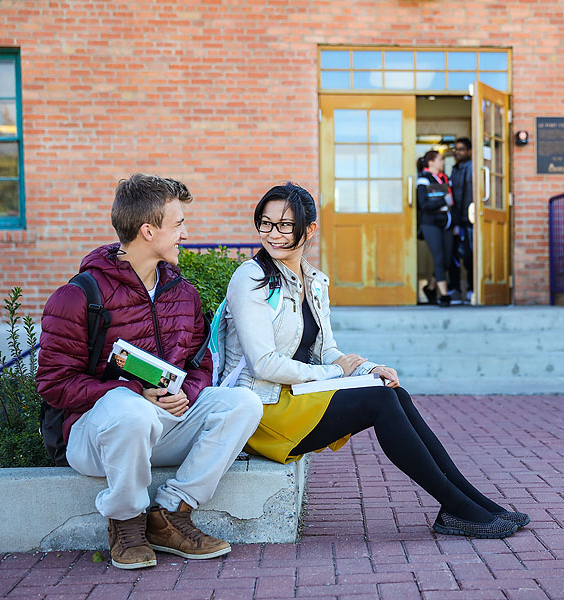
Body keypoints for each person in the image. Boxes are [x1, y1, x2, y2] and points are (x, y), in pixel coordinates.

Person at [222, 182, 528, 538]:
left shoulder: (315, 282)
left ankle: (473, 503)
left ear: (309, 229)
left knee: (392, 390)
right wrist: (333, 373)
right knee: (379, 401)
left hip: (295, 398)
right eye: (266, 223)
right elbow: (264, 365)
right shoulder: (252, 278)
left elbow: (328, 349)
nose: (272, 234)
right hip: (262, 410)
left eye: (285, 225)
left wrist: (369, 368)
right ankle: (459, 509)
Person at [37, 174, 263, 570]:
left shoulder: (183, 293)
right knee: (130, 409)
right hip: (97, 436)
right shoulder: (78, 297)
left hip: (161, 425)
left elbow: (199, 365)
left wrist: (185, 394)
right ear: (148, 230)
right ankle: (125, 522)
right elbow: (54, 385)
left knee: (243, 403)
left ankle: (171, 513)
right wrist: (130, 390)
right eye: (177, 225)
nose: (185, 234)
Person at [416, 150, 455, 306]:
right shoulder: (423, 179)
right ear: (431, 162)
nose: (443, 162)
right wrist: (443, 201)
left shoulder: (443, 178)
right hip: (430, 224)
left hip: (446, 223)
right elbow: (423, 204)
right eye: (440, 159)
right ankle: (444, 296)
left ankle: (431, 288)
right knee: (438, 258)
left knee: (446, 260)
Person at [448, 138, 474, 304]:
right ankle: (455, 290)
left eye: (461, 149)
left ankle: (472, 289)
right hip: (454, 220)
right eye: (456, 149)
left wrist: (465, 219)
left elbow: (468, 195)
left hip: (468, 219)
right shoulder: (454, 169)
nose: (457, 152)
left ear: (469, 151)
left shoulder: (471, 168)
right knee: (453, 256)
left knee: (470, 257)